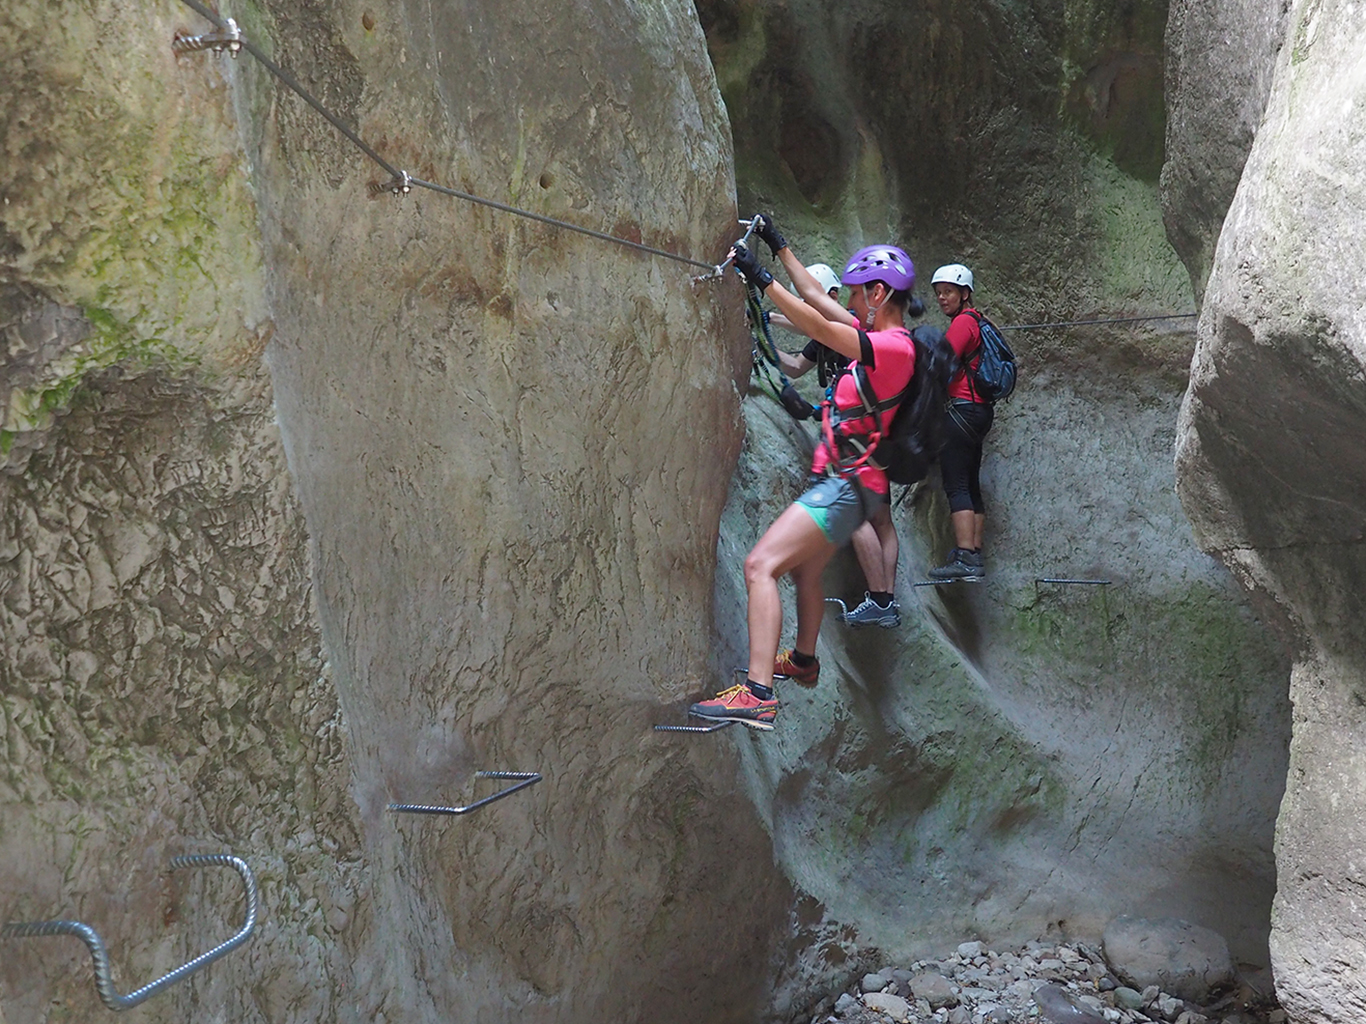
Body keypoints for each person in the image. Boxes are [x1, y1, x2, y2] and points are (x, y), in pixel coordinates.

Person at [690, 217, 923, 728]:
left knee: (760, 566)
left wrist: (759, 276)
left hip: (844, 487)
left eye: (859, 294)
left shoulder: (891, 347)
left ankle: (757, 694)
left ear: (879, 293)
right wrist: (778, 246)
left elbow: (818, 327)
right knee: (805, 570)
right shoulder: (878, 334)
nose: (853, 301)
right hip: (852, 486)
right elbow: (818, 300)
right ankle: (803, 660)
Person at [769, 262, 911, 628]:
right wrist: (765, 345)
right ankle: (887, 599)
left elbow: (811, 319)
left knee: (859, 513)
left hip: (857, 437)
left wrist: (767, 305)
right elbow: (799, 365)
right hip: (879, 436)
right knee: (880, 517)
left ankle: (881, 598)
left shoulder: (856, 328)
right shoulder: (853, 329)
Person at [928, 263, 994, 581]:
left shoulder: (963, 324)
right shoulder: (978, 322)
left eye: (948, 292)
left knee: (955, 482)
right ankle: (974, 553)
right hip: (979, 412)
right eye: (939, 293)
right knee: (970, 482)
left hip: (960, 411)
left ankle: (965, 555)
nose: (942, 298)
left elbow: (940, 365)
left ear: (964, 294)